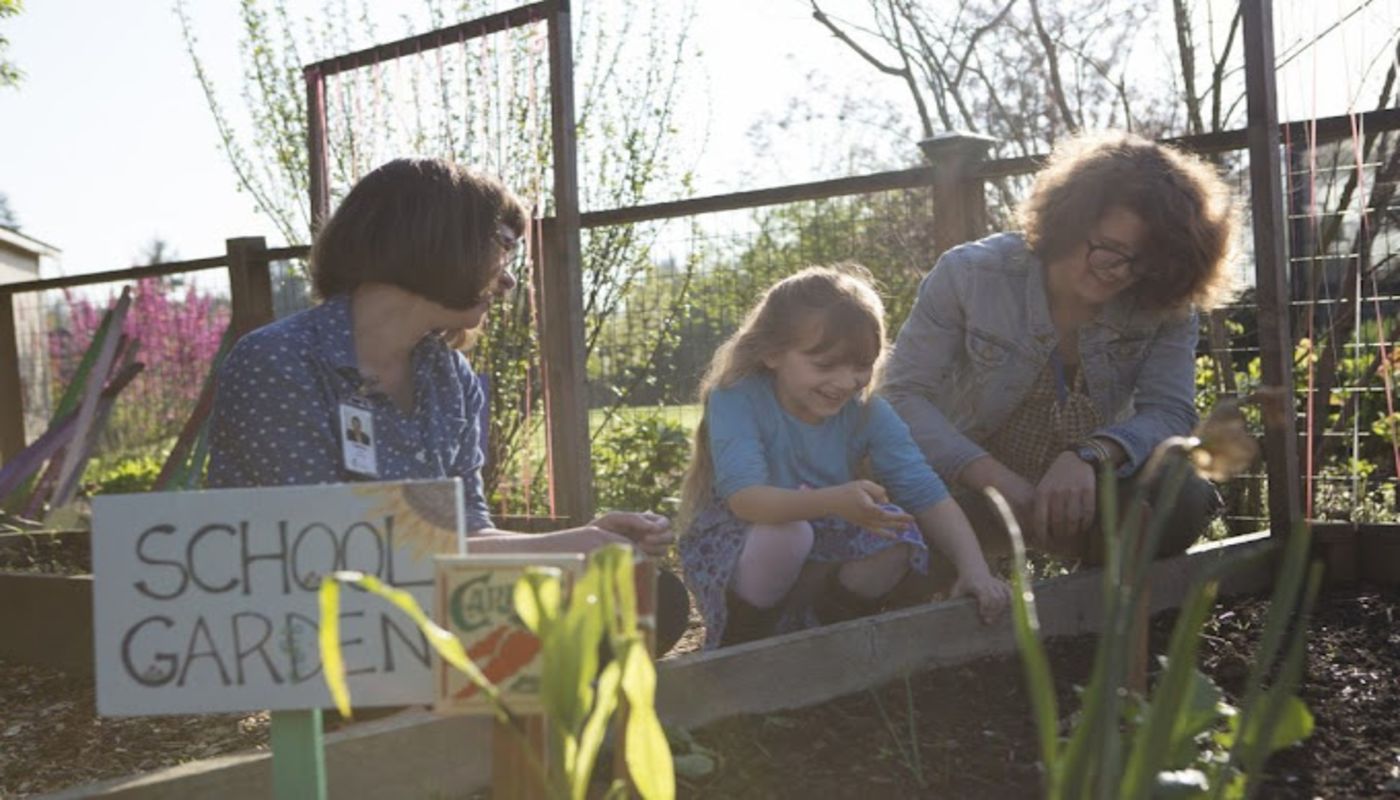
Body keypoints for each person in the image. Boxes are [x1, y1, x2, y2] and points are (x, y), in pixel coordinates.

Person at [205, 157, 687, 647]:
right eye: (502, 246)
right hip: (316, 625)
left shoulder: (448, 376)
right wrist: (558, 548)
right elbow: (323, 550)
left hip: (426, 609)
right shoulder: (279, 360)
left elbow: (466, 534)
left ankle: (487, 710)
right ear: (432, 240)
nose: (508, 280)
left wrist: (584, 541)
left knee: (645, 597)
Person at [882, 131, 1237, 565]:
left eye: (1142, 262)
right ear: (1069, 221)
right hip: (961, 491)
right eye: (1109, 251)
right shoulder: (969, 274)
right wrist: (991, 478)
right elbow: (900, 396)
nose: (1121, 273)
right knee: (888, 529)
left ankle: (1098, 596)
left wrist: (1091, 456)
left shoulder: (1164, 301)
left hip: (1088, 492)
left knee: (1184, 494)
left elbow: (1171, 412)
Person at [677, 265, 1010, 649]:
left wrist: (975, 570)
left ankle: (829, 633)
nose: (846, 381)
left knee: (898, 535)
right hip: (744, 541)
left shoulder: (869, 412)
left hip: (826, 533)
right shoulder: (737, 396)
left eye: (861, 366)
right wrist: (833, 500)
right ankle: (743, 642)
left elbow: (925, 492)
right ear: (772, 352)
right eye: (825, 365)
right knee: (788, 534)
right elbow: (746, 500)